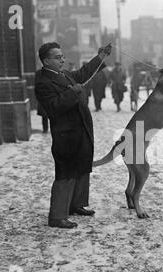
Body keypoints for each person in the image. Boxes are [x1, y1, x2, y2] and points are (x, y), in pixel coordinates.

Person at [34, 42, 112, 228]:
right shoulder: (43, 82)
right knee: (66, 173)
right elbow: (53, 108)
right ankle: (57, 216)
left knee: (82, 168)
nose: (62, 59)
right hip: (65, 135)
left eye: (62, 56)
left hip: (80, 130)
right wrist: (73, 92)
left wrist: (100, 56)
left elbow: (83, 73)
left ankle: (75, 205)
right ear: (46, 61)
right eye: (57, 57)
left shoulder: (64, 74)